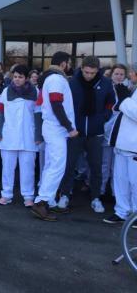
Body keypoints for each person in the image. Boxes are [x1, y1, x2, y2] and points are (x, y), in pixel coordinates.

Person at [57, 56, 114, 214]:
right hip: (75, 132)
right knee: (69, 165)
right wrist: (69, 125)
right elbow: (63, 104)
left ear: (98, 71)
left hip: (96, 133)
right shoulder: (71, 83)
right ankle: (65, 195)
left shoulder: (106, 83)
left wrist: (105, 116)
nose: (89, 75)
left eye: (93, 73)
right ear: (81, 68)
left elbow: (111, 101)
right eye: (86, 72)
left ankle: (96, 197)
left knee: (96, 167)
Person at [32, 51, 78, 221]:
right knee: (57, 165)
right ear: (64, 63)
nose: (70, 66)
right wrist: (69, 127)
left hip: (52, 127)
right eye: (69, 63)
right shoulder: (56, 79)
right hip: (56, 127)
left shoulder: (50, 78)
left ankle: (46, 201)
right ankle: (42, 202)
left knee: (51, 164)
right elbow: (56, 104)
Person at [0, 65, 42, 207]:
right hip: (9, 135)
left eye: (20, 77)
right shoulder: (6, 91)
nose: (17, 79)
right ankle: (6, 194)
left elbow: (38, 114)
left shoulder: (35, 92)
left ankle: (28, 196)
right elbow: (1, 111)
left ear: (26, 78)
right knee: (7, 167)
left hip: (29, 136)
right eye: (15, 76)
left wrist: (38, 134)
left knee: (28, 168)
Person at [103, 62, 137, 224]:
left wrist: (124, 100)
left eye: (132, 72)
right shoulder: (133, 89)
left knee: (135, 182)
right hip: (122, 144)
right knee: (120, 179)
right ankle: (122, 211)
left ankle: (135, 214)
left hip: (134, 146)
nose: (130, 75)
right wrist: (121, 102)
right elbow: (120, 109)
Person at [101, 64, 128, 197]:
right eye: (116, 73)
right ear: (111, 75)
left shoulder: (128, 91)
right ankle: (100, 191)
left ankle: (114, 193)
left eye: (121, 74)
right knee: (105, 163)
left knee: (117, 167)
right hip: (106, 131)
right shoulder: (106, 89)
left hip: (120, 134)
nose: (119, 76)